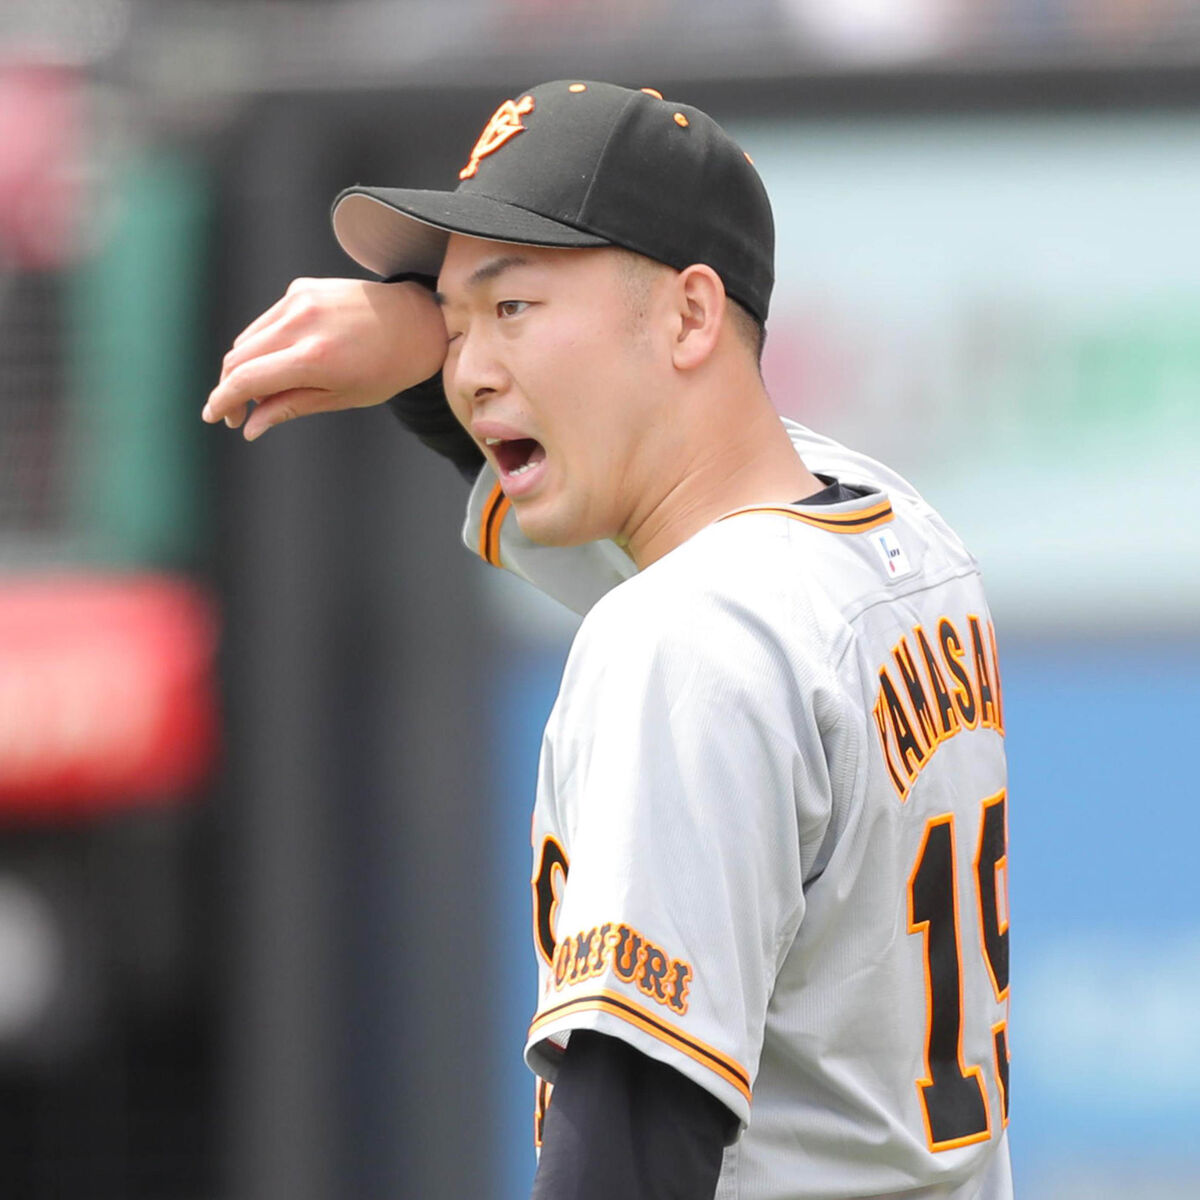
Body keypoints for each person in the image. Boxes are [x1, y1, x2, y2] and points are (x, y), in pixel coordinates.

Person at [206, 80, 1013, 1200]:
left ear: (689, 315)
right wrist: (442, 336)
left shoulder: (686, 638)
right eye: (457, 322)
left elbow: (632, 1145)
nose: (471, 368)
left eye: (516, 305)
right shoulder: (900, 536)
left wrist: (453, 338)